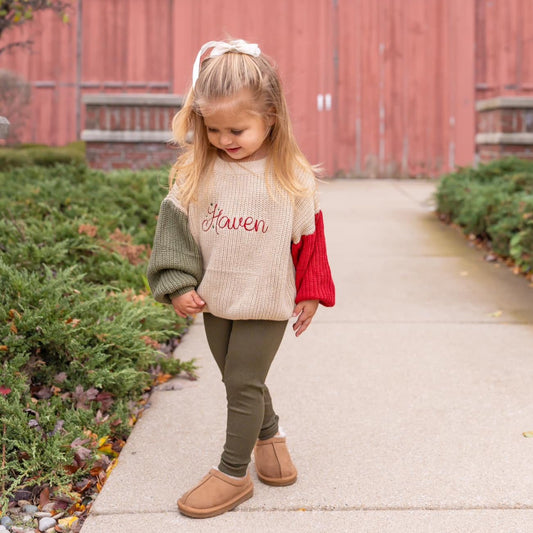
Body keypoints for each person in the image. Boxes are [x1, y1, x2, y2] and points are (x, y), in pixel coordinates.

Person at [147, 38, 335, 519]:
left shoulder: (289, 175)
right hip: (216, 299)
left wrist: (311, 293)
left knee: (242, 382)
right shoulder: (196, 174)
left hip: (268, 299)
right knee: (239, 378)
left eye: (237, 129)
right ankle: (270, 438)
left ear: (270, 118)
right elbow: (176, 236)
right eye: (212, 130)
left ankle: (233, 474)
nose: (224, 139)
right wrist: (178, 284)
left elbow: (310, 238)